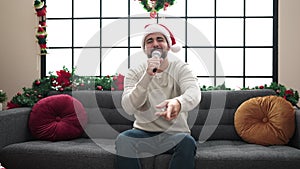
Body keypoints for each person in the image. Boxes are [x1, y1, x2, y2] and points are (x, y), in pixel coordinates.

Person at [115, 23, 201, 169]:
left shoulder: (181, 68)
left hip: (175, 134)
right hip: (142, 133)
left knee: (187, 141)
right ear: (145, 49)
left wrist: (178, 103)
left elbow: (194, 93)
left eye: (160, 39)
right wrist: (147, 76)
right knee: (123, 140)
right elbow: (128, 106)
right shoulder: (134, 72)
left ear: (168, 46)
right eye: (150, 41)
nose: (155, 44)